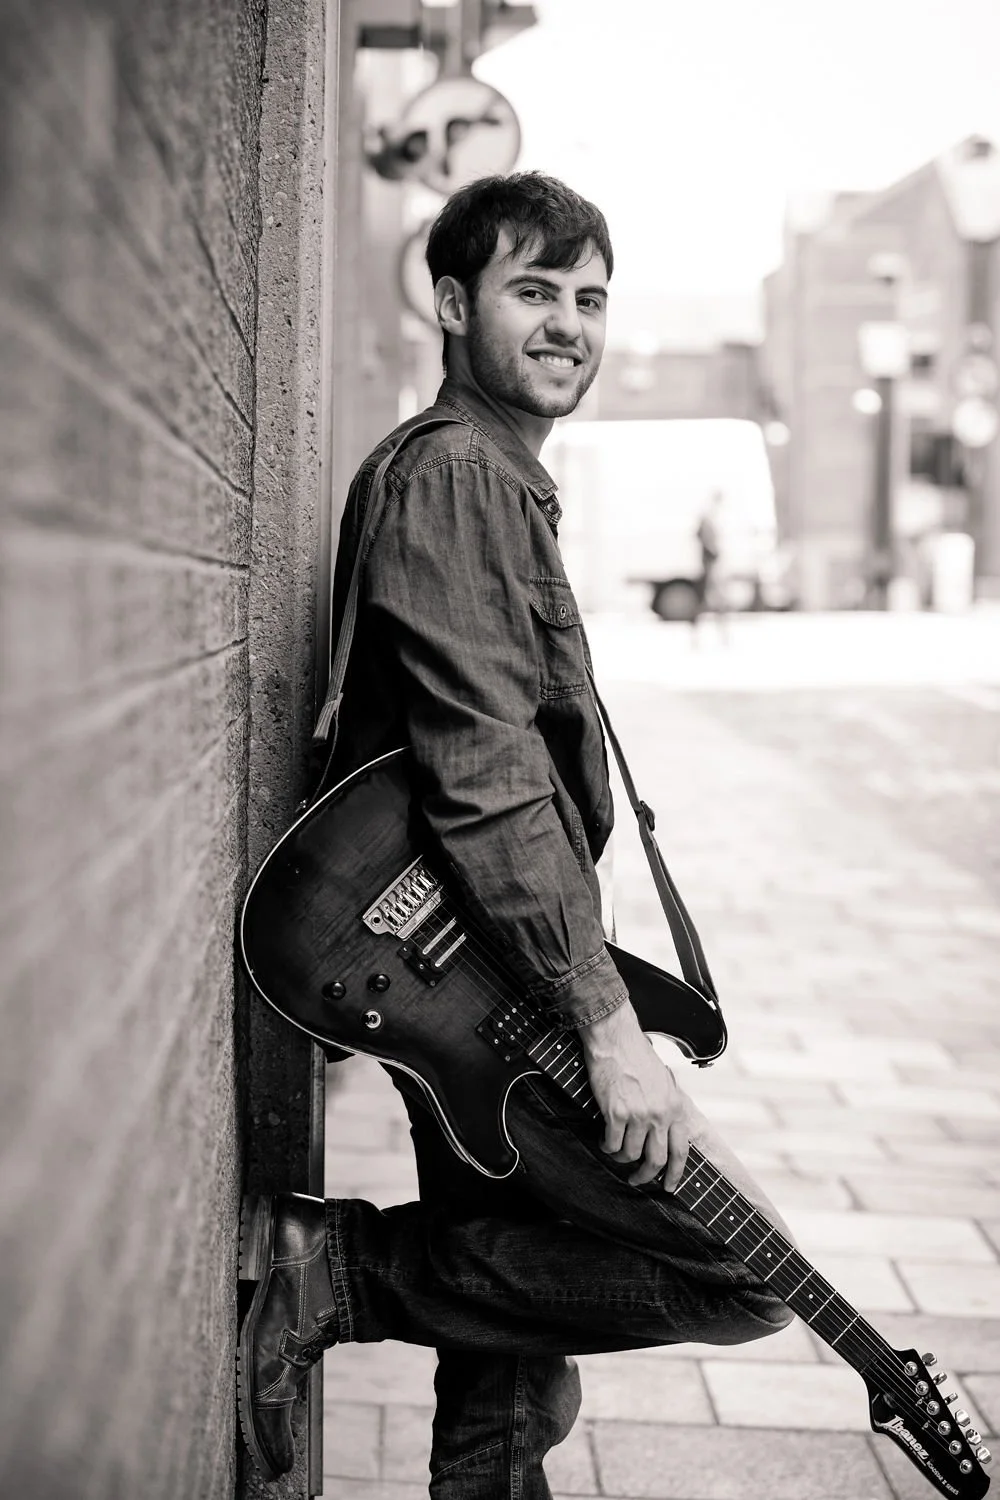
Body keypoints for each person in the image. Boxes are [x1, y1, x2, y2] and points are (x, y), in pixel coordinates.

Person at [238, 172, 793, 1495]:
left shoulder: (485, 477)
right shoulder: (463, 476)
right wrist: (607, 1029)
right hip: (478, 978)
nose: (568, 324)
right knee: (739, 1272)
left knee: (511, 1368)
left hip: (470, 961)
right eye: (533, 291)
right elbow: (482, 771)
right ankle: (348, 1270)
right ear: (449, 301)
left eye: (590, 299)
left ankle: (376, 1287)